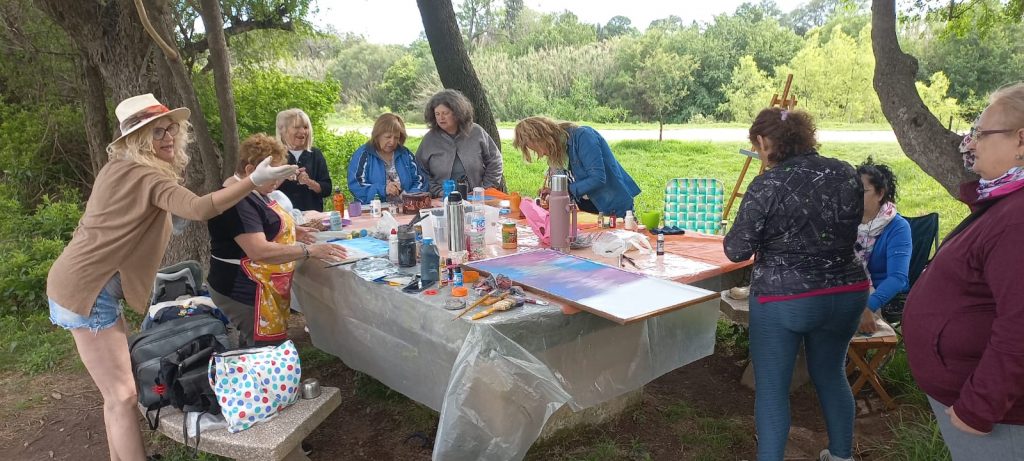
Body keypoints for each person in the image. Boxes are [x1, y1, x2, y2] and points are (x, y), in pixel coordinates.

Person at [45, 94, 298, 461]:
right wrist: (251, 181)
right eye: (155, 131)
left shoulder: (120, 168)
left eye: (170, 129)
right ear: (135, 139)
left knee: (115, 395)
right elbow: (198, 208)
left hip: (82, 283)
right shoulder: (142, 172)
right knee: (123, 395)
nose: (167, 137)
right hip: (88, 289)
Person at [723, 107, 868, 461]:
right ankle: (841, 454)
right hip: (847, 290)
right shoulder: (845, 172)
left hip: (785, 297)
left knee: (772, 390)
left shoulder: (768, 183)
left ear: (763, 142)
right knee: (832, 374)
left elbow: (737, 249)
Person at [903, 82, 1024, 459]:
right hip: (972, 394)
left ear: (1021, 141)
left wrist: (979, 407)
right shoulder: (1006, 203)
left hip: (997, 416)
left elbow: (1019, 324)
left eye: (981, 134)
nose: (969, 144)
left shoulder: (1019, 216)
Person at [207, 134, 347, 347]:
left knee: (257, 348)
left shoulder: (255, 191)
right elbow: (259, 250)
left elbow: (264, 224)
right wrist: (308, 251)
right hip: (243, 289)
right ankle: (264, 380)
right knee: (265, 353)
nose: (278, 182)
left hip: (262, 286)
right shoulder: (237, 202)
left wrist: (293, 230)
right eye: (273, 174)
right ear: (250, 171)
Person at [512, 116, 640, 217]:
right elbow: (569, 182)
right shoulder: (557, 150)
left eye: (538, 149)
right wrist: (555, 191)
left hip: (612, 208)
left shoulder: (583, 136)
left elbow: (598, 178)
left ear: (543, 137)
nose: (541, 154)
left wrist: (565, 191)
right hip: (588, 209)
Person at [854, 158, 911, 333]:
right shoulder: (845, 220)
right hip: (846, 287)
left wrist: (868, 307)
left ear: (880, 194)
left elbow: (898, 278)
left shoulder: (898, 227)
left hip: (879, 293)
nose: (854, 196)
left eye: (862, 191)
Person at [415, 89, 504, 197]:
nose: (441, 118)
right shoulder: (430, 139)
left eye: (445, 113)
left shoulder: (476, 132)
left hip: (477, 199)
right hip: (442, 200)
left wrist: (484, 189)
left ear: (457, 113)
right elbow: (419, 171)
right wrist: (438, 192)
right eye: (437, 114)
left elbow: (495, 161)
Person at [347, 113, 428, 204]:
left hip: (405, 208)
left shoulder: (405, 154)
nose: (392, 142)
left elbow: (420, 180)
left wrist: (410, 197)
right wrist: (383, 189)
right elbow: (356, 186)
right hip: (373, 210)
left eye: (396, 138)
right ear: (377, 135)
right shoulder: (364, 155)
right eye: (388, 137)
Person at [275, 108, 332, 211]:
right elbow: (262, 190)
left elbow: (327, 189)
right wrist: (284, 175)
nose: (302, 132)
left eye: (305, 127)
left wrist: (309, 182)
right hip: (282, 220)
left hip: (312, 218)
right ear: (282, 130)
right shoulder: (274, 155)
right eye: (296, 127)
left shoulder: (315, 154)